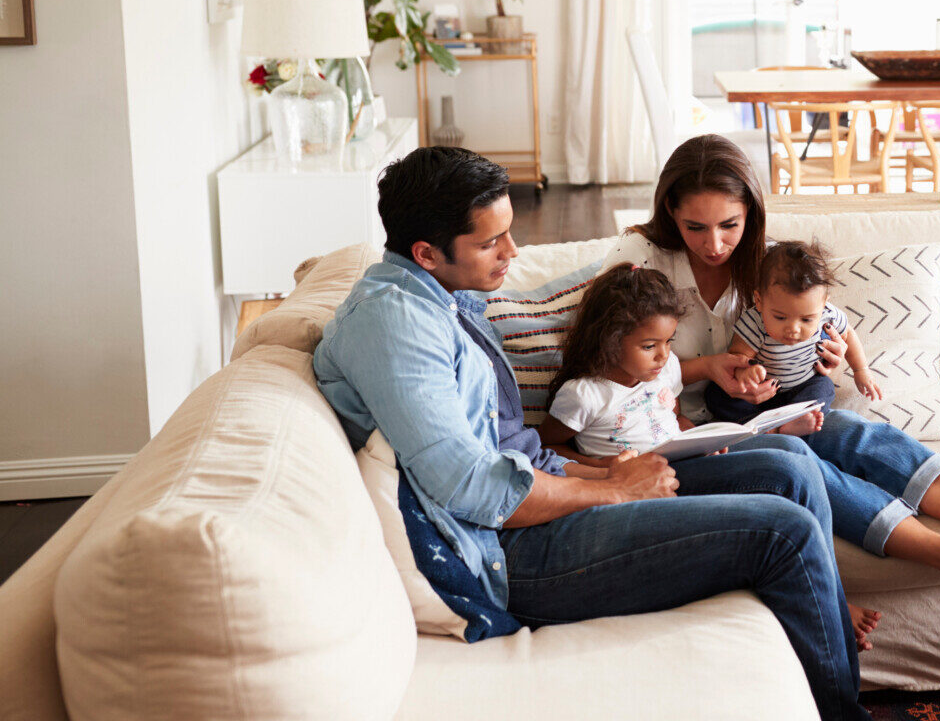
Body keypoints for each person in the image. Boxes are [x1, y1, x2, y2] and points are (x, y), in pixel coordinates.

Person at [313, 146, 868, 721]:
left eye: (508, 233)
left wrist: (605, 468)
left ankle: (827, 636)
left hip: (540, 495)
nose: (512, 251)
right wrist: (613, 489)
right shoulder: (396, 323)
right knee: (782, 533)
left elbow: (510, 450)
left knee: (787, 463)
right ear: (427, 253)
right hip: (506, 552)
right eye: (490, 243)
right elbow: (471, 488)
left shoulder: (443, 296)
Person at [597, 134, 940, 599]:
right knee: (800, 460)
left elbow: (813, 329)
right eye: (695, 228)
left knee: (855, 433)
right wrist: (707, 368)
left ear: (750, 213)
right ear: (670, 211)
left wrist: (823, 361)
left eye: (730, 225)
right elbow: (602, 364)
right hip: (675, 436)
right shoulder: (640, 259)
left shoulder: (766, 266)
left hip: (759, 415)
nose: (715, 244)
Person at [535, 262, 881, 649]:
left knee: (795, 455)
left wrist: (697, 437)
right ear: (609, 341)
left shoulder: (664, 370)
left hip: (685, 463)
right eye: (649, 347)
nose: (663, 356)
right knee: (781, 492)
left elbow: (672, 417)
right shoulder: (584, 394)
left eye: (669, 342)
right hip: (640, 489)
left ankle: (828, 594)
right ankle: (826, 605)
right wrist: (604, 469)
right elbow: (547, 448)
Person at [709, 240, 882, 426]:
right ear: (759, 301)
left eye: (806, 320)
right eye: (780, 317)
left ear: (823, 304)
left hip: (803, 386)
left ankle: (796, 422)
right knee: (715, 395)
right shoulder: (755, 322)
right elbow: (737, 357)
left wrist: (860, 370)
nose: (793, 329)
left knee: (824, 387)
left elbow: (848, 334)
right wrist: (746, 373)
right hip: (760, 394)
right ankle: (762, 425)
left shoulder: (828, 314)